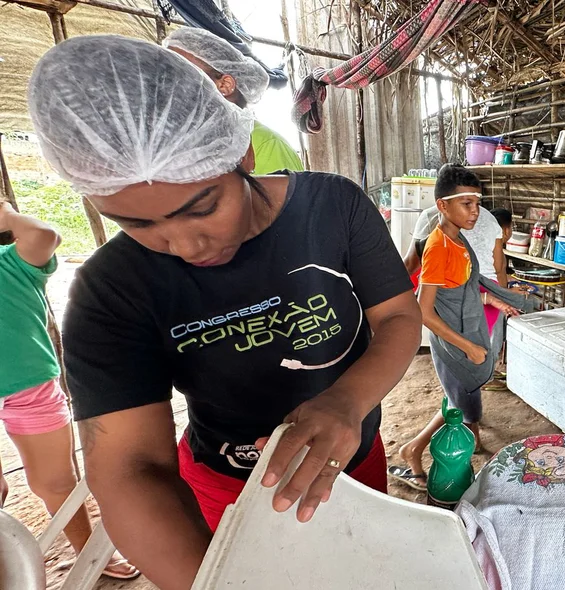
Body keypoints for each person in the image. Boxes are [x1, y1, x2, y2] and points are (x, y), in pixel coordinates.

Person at [28, 35, 421, 590]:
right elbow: (129, 469)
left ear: (242, 154)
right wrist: (215, 581)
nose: (184, 246)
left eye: (203, 206)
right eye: (137, 225)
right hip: (225, 483)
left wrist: (346, 402)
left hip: (350, 457)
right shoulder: (111, 290)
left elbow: (400, 320)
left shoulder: (333, 206)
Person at [0, 201, 139, 580]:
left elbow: (45, 235)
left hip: (29, 390)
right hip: (29, 388)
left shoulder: (12, 262)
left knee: (54, 482)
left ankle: (90, 555)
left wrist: (5, 212)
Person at [389, 167, 524, 491]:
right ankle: (415, 448)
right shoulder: (437, 230)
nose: (473, 209)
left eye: (475, 201)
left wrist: (502, 309)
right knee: (464, 382)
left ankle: (467, 432)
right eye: (465, 202)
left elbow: (495, 266)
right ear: (444, 204)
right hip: (459, 312)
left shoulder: (481, 220)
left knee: (470, 381)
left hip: (482, 308)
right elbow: (417, 266)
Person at [164, 27, 304, 175]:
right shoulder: (177, 145)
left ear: (225, 85)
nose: (167, 84)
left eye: (182, 73)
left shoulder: (267, 145)